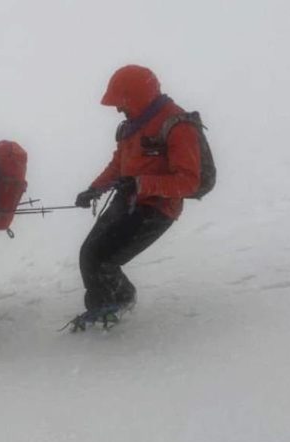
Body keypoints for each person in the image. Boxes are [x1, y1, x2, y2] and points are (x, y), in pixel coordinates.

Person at [72, 65, 201, 327]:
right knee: (89, 254)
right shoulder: (132, 125)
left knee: (103, 259)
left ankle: (114, 305)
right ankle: (111, 303)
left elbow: (189, 181)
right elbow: (118, 164)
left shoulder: (176, 125)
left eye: (121, 103)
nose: (118, 109)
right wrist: (94, 188)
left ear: (136, 96)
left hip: (157, 209)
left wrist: (141, 185)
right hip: (128, 200)